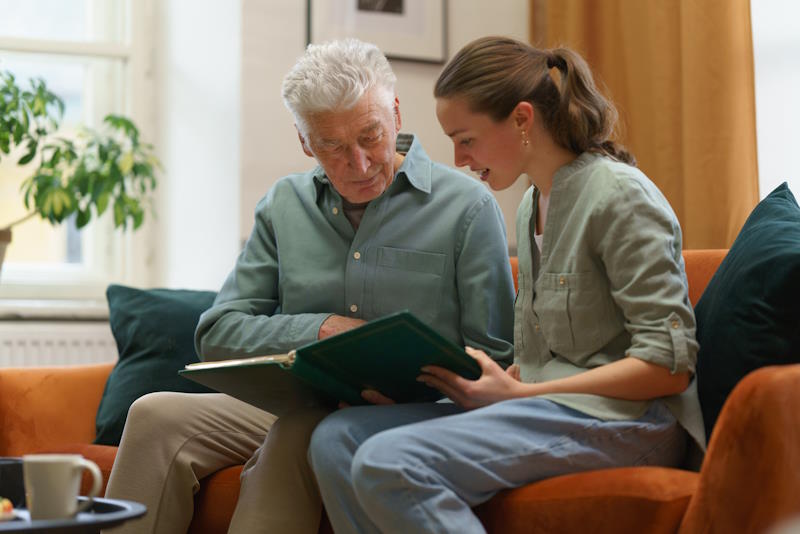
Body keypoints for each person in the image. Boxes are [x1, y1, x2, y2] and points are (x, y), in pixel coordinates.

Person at [102, 38, 515, 534]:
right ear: (304, 142)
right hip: (290, 400)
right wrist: (321, 329)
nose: (358, 164)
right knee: (153, 414)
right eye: (332, 147)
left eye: (370, 136)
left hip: (415, 414)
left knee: (300, 433)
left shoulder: (467, 207)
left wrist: (414, 397)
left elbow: (497, 353)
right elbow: (218, 331)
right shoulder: (284, 205)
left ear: (396, 114)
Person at [308, 36, 706, 533]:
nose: (457, 159)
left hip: (625, 420)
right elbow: (544, 355)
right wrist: (493, 382)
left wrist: (517, 397)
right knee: (336, 439)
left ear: (521, 120)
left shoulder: (620, 198)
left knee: (389, 462)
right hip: (545, 407)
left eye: (466, 139)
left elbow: (667, 369)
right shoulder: (530, 205)